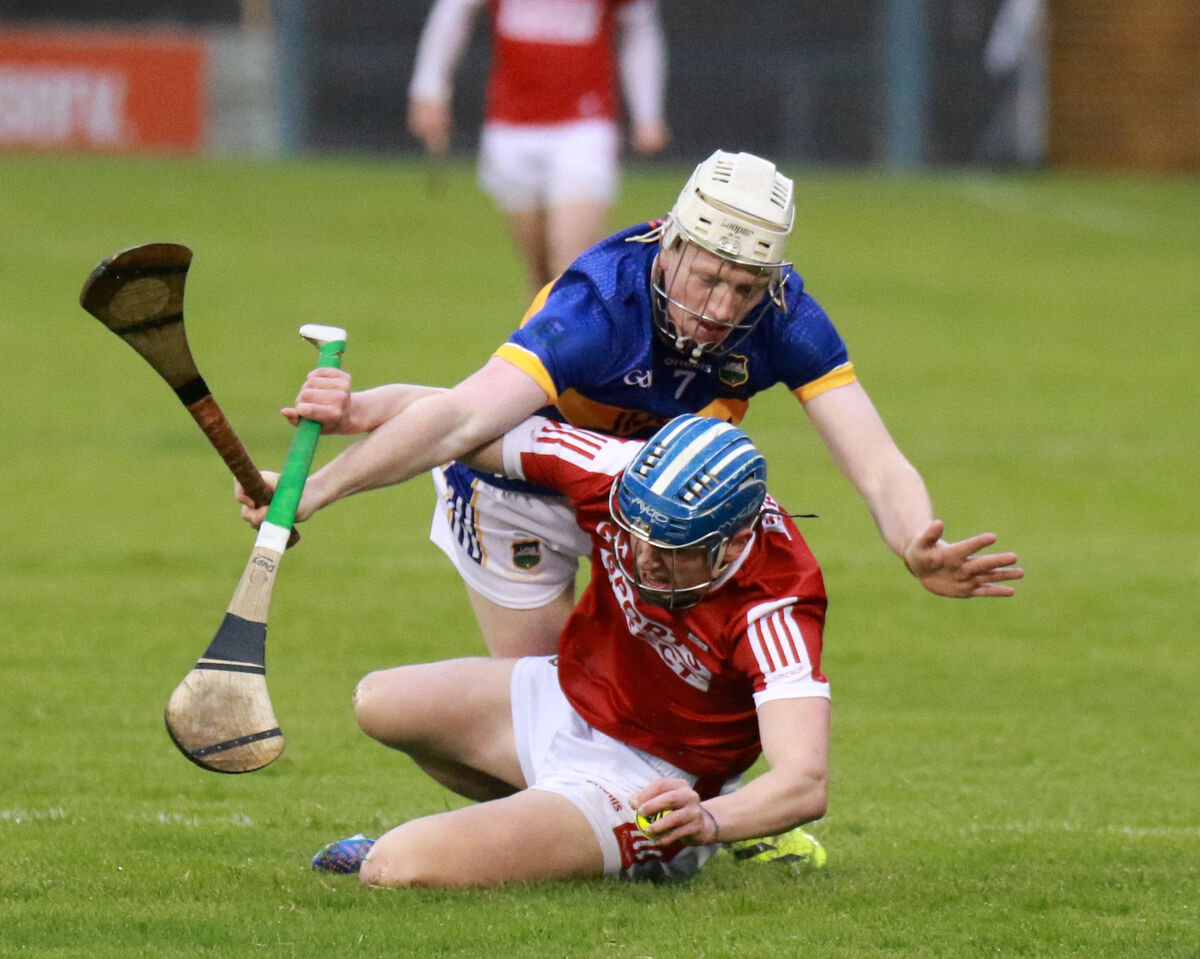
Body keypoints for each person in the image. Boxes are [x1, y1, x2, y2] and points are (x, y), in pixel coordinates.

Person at [266, 149, 1024, 659]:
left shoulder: (784, 316)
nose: (722, 305)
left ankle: (723, 815)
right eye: (708, 277)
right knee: (539, 705)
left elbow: (878, 461)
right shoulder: (599, 305)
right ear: (673, 246)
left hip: (648, 504)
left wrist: (914, 539)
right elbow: (468, 417)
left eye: (745, 286)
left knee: (696, 676)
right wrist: (311, 490)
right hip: (516, 493)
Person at [307, 414, 833, 886]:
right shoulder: (619, 475)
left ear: (733, 546)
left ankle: (634, 849)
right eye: (636, 533)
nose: (643, 558)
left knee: (391, 867)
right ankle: (554, 835)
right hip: (570, 696)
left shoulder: (775, 606)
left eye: (672, 550)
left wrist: (711, 821)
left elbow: (804, 781)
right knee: (379, 701)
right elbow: (459, 420)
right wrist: (352, 420)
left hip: (652, 785)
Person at [407, 0, 670, 297]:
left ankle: (584, 338)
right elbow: (454, 12)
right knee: (541, 271)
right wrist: (429, 89)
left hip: (585, 124)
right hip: (511, 127)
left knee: (573, 261)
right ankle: (541, 339)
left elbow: (639, 28)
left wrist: (648, 112)